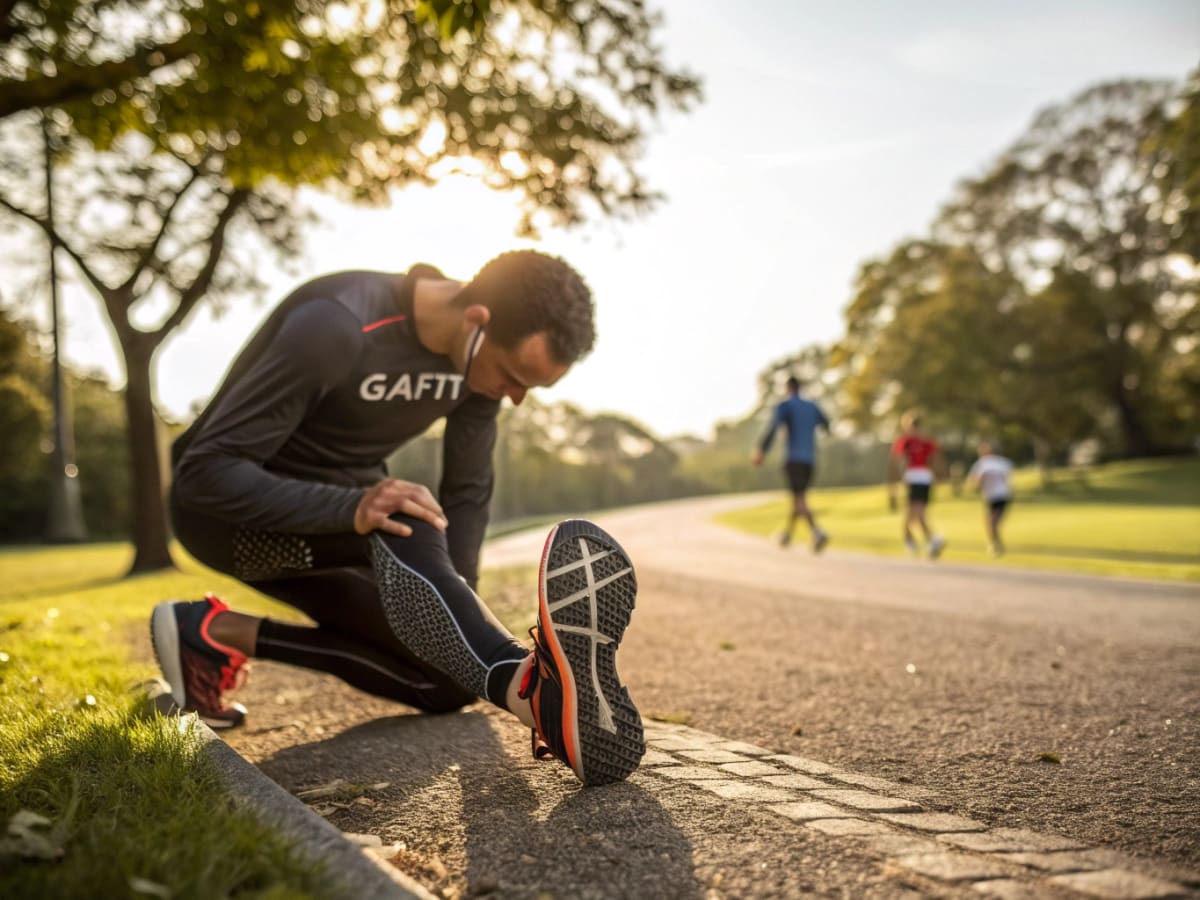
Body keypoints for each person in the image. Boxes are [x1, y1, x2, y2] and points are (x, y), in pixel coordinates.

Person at [149, 251, 645, 787]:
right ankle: (533, 688)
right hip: (231, 518)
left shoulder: (478, 374)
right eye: (513, 376)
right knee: (407, 512)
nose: (517, 398)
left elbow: (468, 494)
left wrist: (462, 617)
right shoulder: (337, 325)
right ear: (477, 320)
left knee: (450, 683)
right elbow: (203, 474)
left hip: (348, 527)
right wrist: (351, 506)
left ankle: (208, 631)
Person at [751, 375, 831, 552]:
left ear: (787, 389)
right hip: (810, 460)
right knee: (799, 498)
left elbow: (773, 428)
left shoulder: (785, 406)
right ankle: (787, 535)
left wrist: (761, 450)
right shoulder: (811, 406)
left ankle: (816, 532)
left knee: (799, 499)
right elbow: (827, 424)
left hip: (794, 458)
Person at [887, 410, 947, 559]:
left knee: (916, 514)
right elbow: (896, 462)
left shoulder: (924, 442)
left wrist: (940, 476)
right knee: (914, 515)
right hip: (914, 478)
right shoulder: (906, 442)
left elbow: (935, 460)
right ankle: (927, 541)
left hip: (921, 478)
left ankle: (925, 541)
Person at [967, 441, 1014, 556]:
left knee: (993, 523)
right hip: (989, 497)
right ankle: (996, 544)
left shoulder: (1000, 463)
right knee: (990, 523)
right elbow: (974, 482)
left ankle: (996, 546)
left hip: (1002, 496)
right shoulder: (980, 464)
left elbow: (1007, 478)